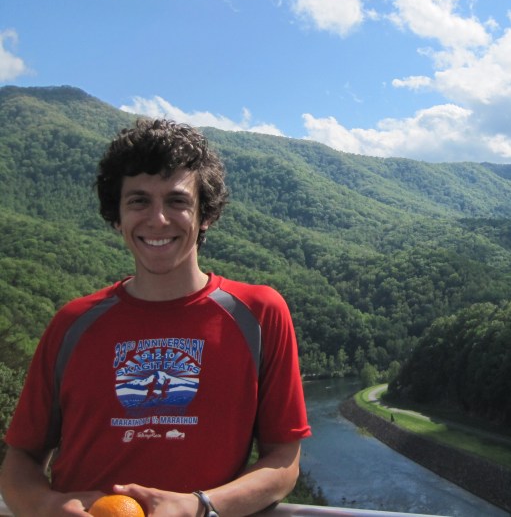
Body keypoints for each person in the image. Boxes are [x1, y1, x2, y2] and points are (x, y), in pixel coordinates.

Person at [0, 119, 311, 516]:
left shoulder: (259, 314)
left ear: (206, 215)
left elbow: (284, 461)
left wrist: (198, 507)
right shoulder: (72, 323)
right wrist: (46, 506)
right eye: (139, 201)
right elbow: (20, 459)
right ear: (117, 216)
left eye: (177, 201)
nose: (158, 219)